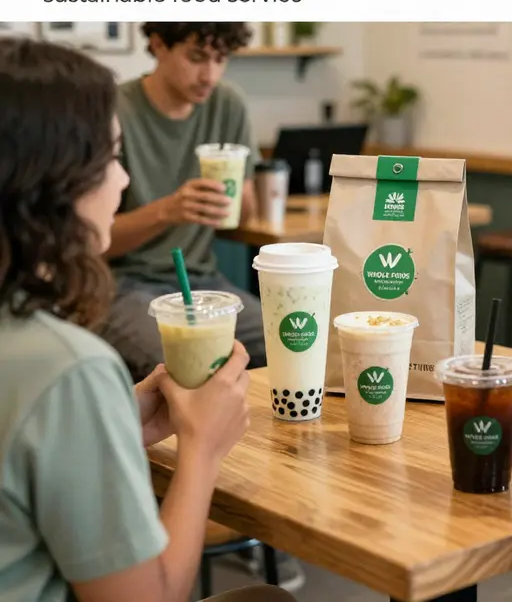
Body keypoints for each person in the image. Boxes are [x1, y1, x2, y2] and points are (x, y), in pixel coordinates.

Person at [0, 37, 296, 602]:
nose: (123, 180)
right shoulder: (69, 368)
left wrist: (119, 419)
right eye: (110, 158)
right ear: (57, 181)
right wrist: (202, 450)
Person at [102, 22, 267, 381]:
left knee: (290, 339)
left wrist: (235, 200)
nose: (209, 75)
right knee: (181, 366)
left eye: (221, 59)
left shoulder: (227, 105)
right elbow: (94, 243)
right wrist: (167, 210)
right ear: (158, 45)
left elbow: (242, 218)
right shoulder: (113, 110)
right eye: (196, 58)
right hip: (126, 286)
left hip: (205, 284)